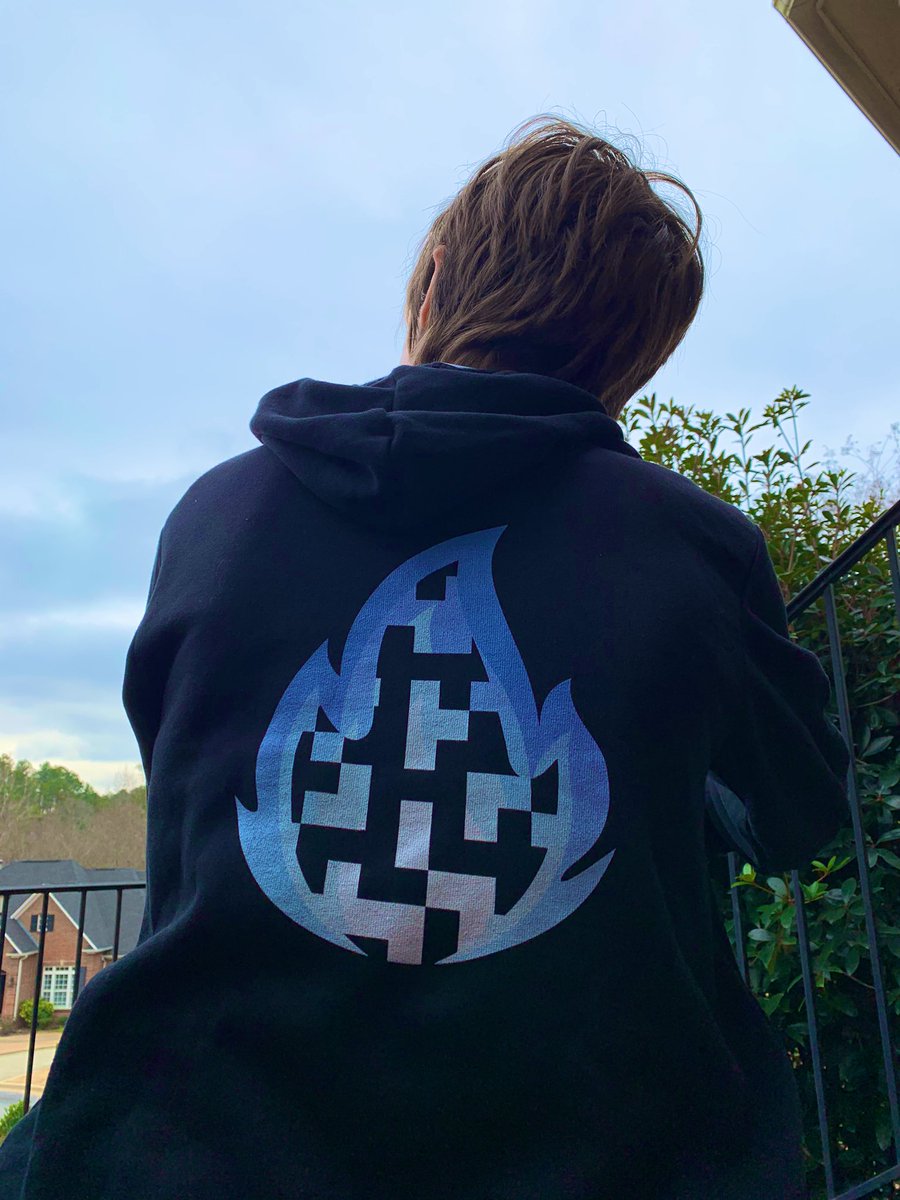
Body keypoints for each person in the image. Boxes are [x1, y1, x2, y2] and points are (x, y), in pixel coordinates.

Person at [0, 113, 849, 1200]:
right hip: (615, 1151)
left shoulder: (215, 518)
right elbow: (793, 814)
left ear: (434, 279)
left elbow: (186, 791)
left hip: (174, 1147)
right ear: (632, 358)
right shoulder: (693, 546)